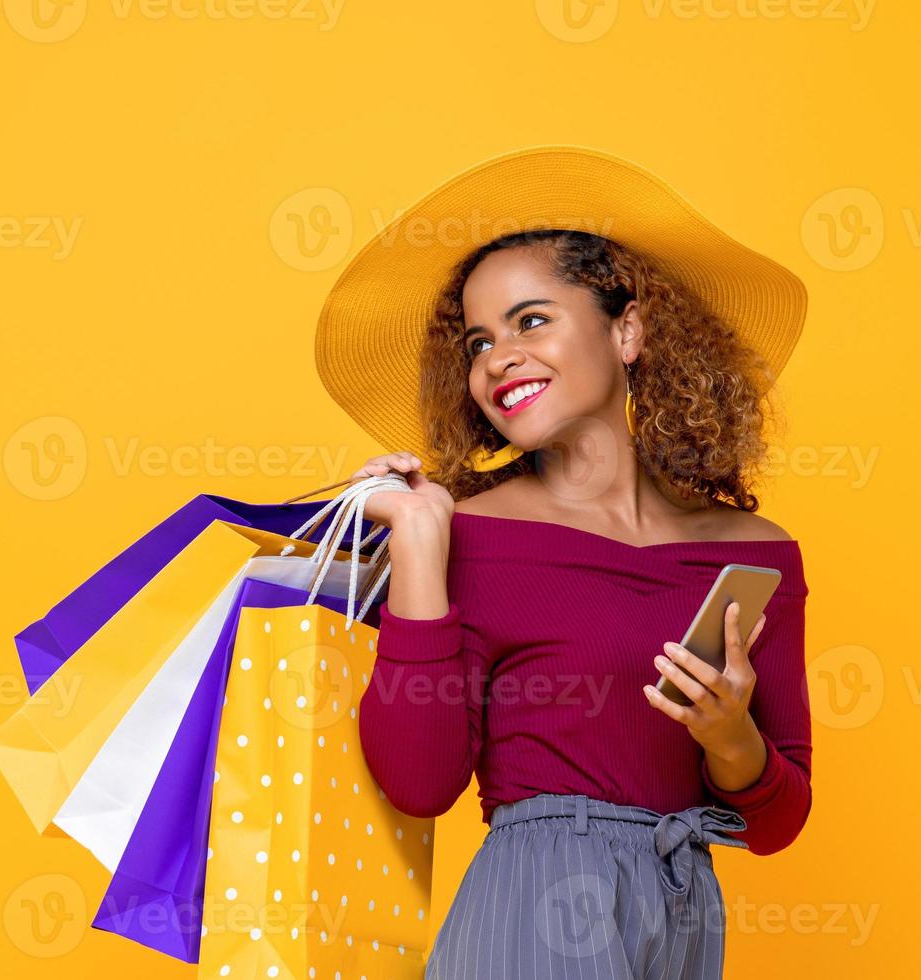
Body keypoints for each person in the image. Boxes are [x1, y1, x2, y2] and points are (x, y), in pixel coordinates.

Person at [313, 147, 813, 979]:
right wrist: (420, 549)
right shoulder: (467, 537)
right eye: (478, 342)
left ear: (628, 329)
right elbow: (419, 780)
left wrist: (730, 737)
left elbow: (778, 820)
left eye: (531, 320)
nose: (497, 359)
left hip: (687, 909)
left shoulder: (756, 555)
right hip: (535, 910)